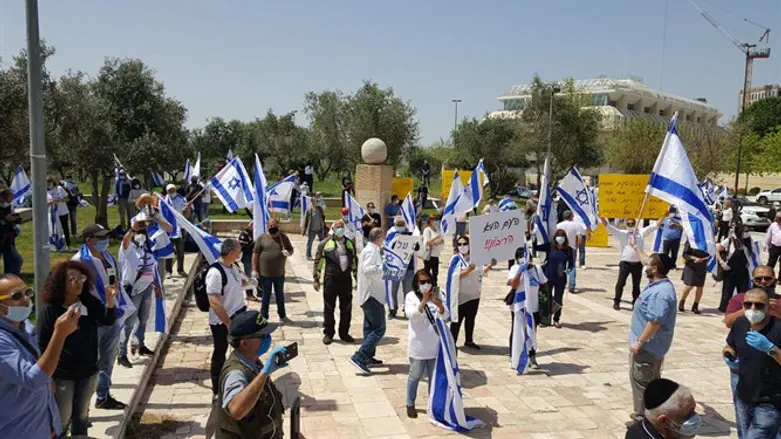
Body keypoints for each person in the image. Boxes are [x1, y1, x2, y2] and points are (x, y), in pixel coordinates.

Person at [37, 260, 118, 437]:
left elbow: (108, 319)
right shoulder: (51, 310)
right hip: (63, 374)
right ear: (60, 283)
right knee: (62, 419)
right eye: (72, 279)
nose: (78, 282)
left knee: (81, 416)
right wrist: (48, 377)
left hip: (88, 370)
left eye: (81, 278)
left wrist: (110, 299)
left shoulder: (88, 301)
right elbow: (42, 344)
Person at [0, 274, 80, 438]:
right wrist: (60, 334)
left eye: (27, 292)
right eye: (16, 296)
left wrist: (51, 423)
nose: (25, 299)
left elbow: (39, 369)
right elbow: (34, 379)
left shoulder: (26, 327)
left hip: (41, 427)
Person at [72, 223, 134, 410]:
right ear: (89, 240)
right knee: (89, 363)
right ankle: (81, 409)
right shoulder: (79, 262)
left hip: (111, 314)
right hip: (91, 319)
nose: (105, 241)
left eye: (106, 237)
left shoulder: (107, 257)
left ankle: (103, 396)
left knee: (107, 360)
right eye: (100, 238)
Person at [214, 310, 289, 439]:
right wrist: (264, 373)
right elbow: (236, 411)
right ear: (244, 344)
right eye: (263, 335)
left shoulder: (252, 360)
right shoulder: (235, 373)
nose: (268, 338)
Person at [724, 288, 781, 437]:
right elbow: (730, 344)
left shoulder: (779, 328)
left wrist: (770, 348)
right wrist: (729, 353)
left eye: (759, 305)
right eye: (748, 305)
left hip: (770, 401)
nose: (753, 309)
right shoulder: (740, 324)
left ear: (769, 307)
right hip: (744, 395)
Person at [628, 253, 677, 425]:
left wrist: (639, 342)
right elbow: (646, 259)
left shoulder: (660, 293)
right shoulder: (657, 285)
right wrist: (635, 246)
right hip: (648, 347)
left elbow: (655, 321)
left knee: (642, 383)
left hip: (647, 348)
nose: (645, 266)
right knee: (647, 381)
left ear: (654, 269)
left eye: (648, 264)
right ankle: (647, 415)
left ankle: (643, 420)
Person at [117, 216, 162, 368]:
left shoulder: (146, 248)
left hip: (147, 287)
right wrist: (133, 229)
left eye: (143, 229)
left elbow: (152, 267)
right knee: (129, 322)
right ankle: (122, 353)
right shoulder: (127, 248)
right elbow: (125, 241)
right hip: (133, 289)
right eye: (139, 229)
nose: (141, 232)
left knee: (143, 318)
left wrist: (156, 286)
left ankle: (140, 343)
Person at [207, 238, 249, 395]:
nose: (240, 254)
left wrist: (250, 283)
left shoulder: (233, 267)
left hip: (238, 314)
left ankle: (240, 381)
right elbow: (215, 302)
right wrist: (228, 324)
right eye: (238, 251)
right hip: (222, 322)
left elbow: (237, 284)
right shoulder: (215, 273)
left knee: (243, 349)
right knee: (220, 351)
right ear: (232, 253)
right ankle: (217, 389)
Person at [404, 269, 447, 418]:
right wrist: (423, 301)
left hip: (434, 345)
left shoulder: (438, 295)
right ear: (417, 283)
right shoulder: (411, 297)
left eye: (428, 281)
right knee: (415, 376)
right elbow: (411, 316)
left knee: (434, 378)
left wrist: (439, 305)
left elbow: (446, 315)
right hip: (418, 345)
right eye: (422, 282)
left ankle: (432, 404)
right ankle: (410, 403)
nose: (426, 284)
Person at [313, 220, 357, 345]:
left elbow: (354, 260)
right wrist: (316, 278)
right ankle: (328, 333)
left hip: (345, 280)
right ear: (333, 228)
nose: (340, 229)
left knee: (346, 308)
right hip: (331, 279)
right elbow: (318, 262)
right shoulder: (325, 243)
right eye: (338, 227)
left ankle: (344, 333)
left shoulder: (349, 243)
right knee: (329, 308)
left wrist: (356, 277)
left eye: (342, 227)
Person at [349, 227, 386, 375]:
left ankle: (368, 357)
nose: (384, 239)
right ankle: (360, 356)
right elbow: (367, 269)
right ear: (378, 237)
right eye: (383, 236)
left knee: (369, 328)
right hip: (372, 296)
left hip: (369, 294)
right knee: (379, 329)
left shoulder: (372, 249)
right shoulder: (372, 251)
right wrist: (383, 266)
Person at [602, 217, 660, 310]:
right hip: (625, 263)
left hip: (637, 263)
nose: (630, 225)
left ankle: (635, 302)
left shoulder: (641, 233)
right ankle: (617, 301)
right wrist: (601, 216)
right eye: (628, 224)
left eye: (632, 224)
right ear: (626, 224)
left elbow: (655, 226)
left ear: (635, 224)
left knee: (636, 285)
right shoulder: (622, 234)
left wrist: (663, 216)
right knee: (620, 283)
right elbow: (608, 227)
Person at [447, 235, 493, 349]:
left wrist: (490, 265)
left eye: (465, 244)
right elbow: (454, 277)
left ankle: (469, 340)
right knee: (457, 321)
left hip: (474, 295)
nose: (462, 246)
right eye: (459, 244)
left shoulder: (476, 258)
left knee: (470, 319)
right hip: (461, 296)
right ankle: (452, 342)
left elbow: (481, 272)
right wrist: (468, 270)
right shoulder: (455, 259)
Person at [507, 246, 547, 369]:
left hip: (533, 307)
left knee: (532, 332)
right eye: (520, 257)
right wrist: (520, 271)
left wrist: (544, 301)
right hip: (519, 307)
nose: (522, 259)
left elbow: (544, 284)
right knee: (517, 331)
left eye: (525, 256)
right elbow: (513, 285)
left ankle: (532, 356)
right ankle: (514, 355)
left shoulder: (537, 269)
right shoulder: (514, 268)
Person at [624, 378, 700, 439]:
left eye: (693, 410)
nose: (695, 416)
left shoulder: (641, 428)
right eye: (688, 414)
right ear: (663, 421)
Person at [252, 218, 294, 323]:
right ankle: (264, 316)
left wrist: (288, 253)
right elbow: (255, 254)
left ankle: (282, 315)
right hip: (265, 273)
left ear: (278, 226)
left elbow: (290, 249)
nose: (272, 227)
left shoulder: (283, 238)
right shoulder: (262, 238)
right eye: (270, 225)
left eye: (273, 225)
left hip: (279, 273)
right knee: (266, 296)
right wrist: (254, 269)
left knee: (280, 295)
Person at [384, 216, 419, 319]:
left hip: (409, 266)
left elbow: (417, 248)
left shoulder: (411, 232)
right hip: (394, 266)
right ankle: (392, 310)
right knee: (392, 290)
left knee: (408, 290)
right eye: (398, 225)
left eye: (402, 225)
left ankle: (407, 310)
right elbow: (387, 247)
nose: (400, 227)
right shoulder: (391, 233)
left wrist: (414, 242)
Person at [716, 218, 752, 313]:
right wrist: (722, 262)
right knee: (727, 293)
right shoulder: (730, 241)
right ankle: (723, 309)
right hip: (730, 271)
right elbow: (717, 250)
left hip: (743, 271)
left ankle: (742, 309)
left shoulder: (748, 242)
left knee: (743, 292)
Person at [545, 229, 573, 327]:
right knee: (547, 298)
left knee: (558, 299)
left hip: (561, 278)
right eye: (558, 236)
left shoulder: (568, 250)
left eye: (562, 236)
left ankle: (556, 319)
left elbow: (571, 264)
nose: (560, 238)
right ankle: (546, 318)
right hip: (549, 276)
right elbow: (537, 246)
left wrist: (568, 270)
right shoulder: (550, 247)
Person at [677, 242, 710, 314]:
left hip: (702, 265)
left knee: (700, 286)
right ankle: (682, 301)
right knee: (689, 285)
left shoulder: (708, 239)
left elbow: (712, 253)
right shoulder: (691, 238)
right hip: (691, 265)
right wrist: (695, 258)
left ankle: (695, 305)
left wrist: (706, 259)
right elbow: (685, 254)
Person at [556, 210, 585, 293]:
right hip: (572, 247)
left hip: (561, 248)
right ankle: (571, 285)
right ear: (571, 216)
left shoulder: (559, 225)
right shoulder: (576, 225)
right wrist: (577, 245)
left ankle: (559, 282)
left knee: (561, 265)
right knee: (572, 266)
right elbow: (580, 237)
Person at [164, 184, 188, 277]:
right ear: (167, 191)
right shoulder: (163, 201)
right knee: (169, 251)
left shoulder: (182, 199)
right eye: (170, 191)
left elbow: (186, 214)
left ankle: (180, 269)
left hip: (180, 228)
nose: (172, 192)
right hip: (169, 229)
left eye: (173, 190)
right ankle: (168, 271)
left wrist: (187, 209)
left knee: (180, 250)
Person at [0, 189, 23, 275]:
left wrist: (17, 219)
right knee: (16, 260)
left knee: (14, 261)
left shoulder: (9, 206)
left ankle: (9, 278)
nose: (13, 197)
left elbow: (12, 219)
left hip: (7, 238)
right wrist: (5, 219)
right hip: (2, 237)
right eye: (11, 196)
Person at [48, 178, 74, 251]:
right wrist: (49, 202)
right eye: (47, 183)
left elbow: (67, 199)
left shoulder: (59, 188)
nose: (49, 185)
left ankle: (69, 245)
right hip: (52, 214)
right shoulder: (46, 192)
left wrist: (59, 200)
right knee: (54, 230)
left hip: (63, 212)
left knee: (65, 229)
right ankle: (55, 245)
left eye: (50, 183)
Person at [303, 192, 326, 260]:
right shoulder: (309, 210)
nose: (316, 202)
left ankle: (323, 254)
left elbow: (324, 208)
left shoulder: (320, 209)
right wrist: (304, 230)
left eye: (316, 201)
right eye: (315, 201)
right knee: (309, 243)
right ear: (312, 202)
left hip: (320, 229)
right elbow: (305, 221)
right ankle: (308, 255)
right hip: (312, 230)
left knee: (323, 243)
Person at [422, 215, 444, 286]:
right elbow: (428, 243)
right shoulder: (427, 230)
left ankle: (434, 288)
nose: (436, 222)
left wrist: (436, 242)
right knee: (427, 273)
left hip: (436, 255)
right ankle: (427, 287)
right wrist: (436, 239)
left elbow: (442, 241)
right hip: (429, 255)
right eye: (435, 220)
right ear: (430, 221)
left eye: (437, 220)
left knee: (435, 274)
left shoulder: (438, 230)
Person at [238, 223, 257, 301]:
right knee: (248, 276)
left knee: (257, 275)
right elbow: (242, 246)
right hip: (247, 257)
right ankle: (249, 294)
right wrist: (253, 244)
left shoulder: (255, 233)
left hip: (255, 257)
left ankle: (260, 292)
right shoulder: (244, 234)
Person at [765, 212, 781, 279]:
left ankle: (780, 279)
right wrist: (766, 244)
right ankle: (768, 277)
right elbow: (769, 235)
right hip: (774, 246)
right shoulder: (773, 225)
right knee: (771, 263)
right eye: (777, 218)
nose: (778, 220)